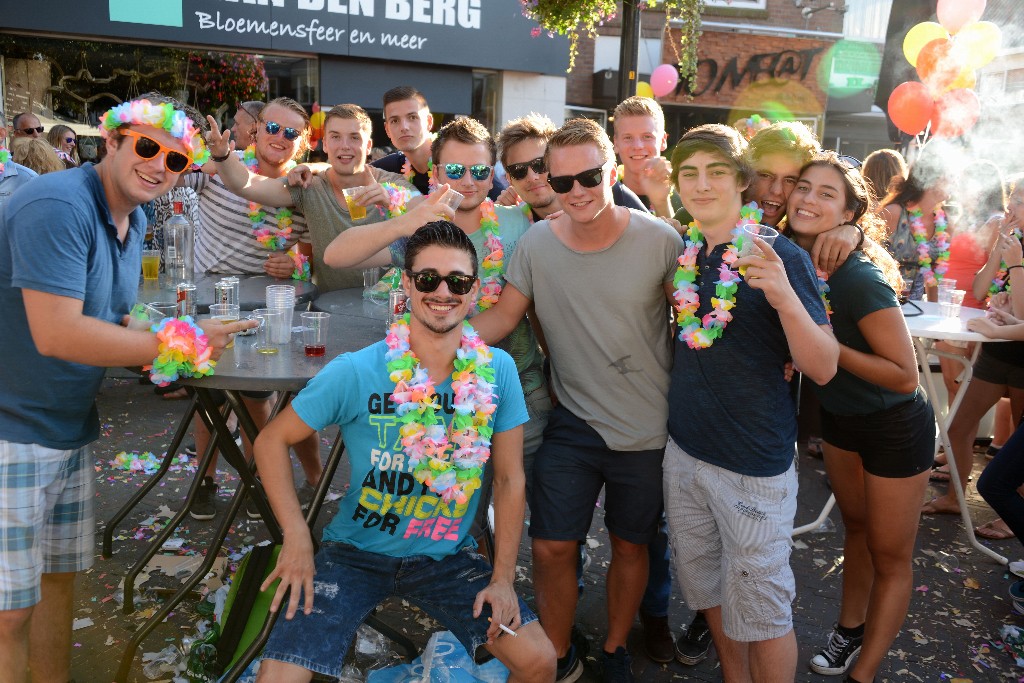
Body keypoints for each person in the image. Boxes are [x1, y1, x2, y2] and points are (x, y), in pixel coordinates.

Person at [0, 94, 250, 683]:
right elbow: (58, 332)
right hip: (11, 433)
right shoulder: (57, 204)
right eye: (145, 146)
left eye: (176, 159)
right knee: (9, 615)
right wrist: (179, 344)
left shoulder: (134, 216)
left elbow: (110, 318)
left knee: (57, 584)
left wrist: (175, 335)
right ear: (110, 142)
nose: (159, 165)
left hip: (66, 426)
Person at [250, 221, 556, 683]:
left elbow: (511, 480)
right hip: (354, 553)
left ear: (474, 291)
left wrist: (503, 578)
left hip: (447, 557)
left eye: (458, 281)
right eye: (429, 278)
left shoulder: (498, 370)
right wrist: (296, 537)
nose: (443, 292)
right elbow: (271, 440)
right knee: (279, 679)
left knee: (539, 660)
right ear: (408, 284)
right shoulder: (358, 369)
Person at [471, 117, 684, 683]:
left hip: (647, 428)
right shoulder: (538, 244)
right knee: (549, 549)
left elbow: (692, 325)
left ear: (612, 171)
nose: (577, 191)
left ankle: (614, 650)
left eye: (589, 175)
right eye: (561, 182)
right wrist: (430, 332)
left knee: (631, 547)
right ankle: (556, 654)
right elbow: (501, 318)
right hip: (575, 422)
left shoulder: (660, 239)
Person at [663, 124, 837, 683]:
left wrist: (784, 295)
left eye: (716, 172)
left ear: (742, 181)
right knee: (708, 591)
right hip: (685, 452)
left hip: (752, 469)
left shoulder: (777, 254)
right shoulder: (687, 249)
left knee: (762, 614)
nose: (702, 185)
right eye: (689, 173)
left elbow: (823, 365)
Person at [319, 115, 550, 466]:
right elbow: (336, 255)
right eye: (456, 171)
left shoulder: (520, 224)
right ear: (437, 173)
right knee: (456, 514)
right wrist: (405, 222)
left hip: (516, 392)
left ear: (493, 174)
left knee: (520, 501)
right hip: (438, 402)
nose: (469, 182)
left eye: (480, 171)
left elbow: (509, 315)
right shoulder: (423, 232)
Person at [785, 152, 932, 683]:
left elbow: (903, 374)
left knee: (889, 553)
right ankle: (850, 630)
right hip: (842, 419)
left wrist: (821, 344)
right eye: (804, 187)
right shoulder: (795, 255)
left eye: (827, 194)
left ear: (849, 215)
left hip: (895, 428)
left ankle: (864, 671)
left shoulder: (857, 277)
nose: (808, 199)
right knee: (856, 530)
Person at [178, 96, 321, 521]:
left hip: (268, 306)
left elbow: (316, 259)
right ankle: (205, 479)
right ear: (256, 130)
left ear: (302, 141)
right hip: (210, 300)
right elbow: (168, 182)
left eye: (291, 132)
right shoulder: (219, 168)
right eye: (273, 128)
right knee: (212, 399)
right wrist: (194, 160)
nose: (280, 137)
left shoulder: (304, 190)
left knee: (258, 401)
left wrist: (295, 262)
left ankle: (259, 478)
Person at [214, 103, 423, 291]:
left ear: (368, 146)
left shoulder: (393, 183)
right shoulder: (309, 185)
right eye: (335, 137)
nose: (344, 146)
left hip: (388, 315)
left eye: (354, 137)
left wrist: (394, 204)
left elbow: (430, 215)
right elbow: (250, 186)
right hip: (329, 312)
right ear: (325, 144)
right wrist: (222, 156)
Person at [923, 176, 1024, 517]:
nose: (1011, 207)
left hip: (1022, 358)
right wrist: (1000, 250)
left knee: (1018, 446)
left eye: (1020, 201)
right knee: (958, 427)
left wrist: (1017, 266)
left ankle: (1013, 518)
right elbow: (981, 291)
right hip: (995, 353)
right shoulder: (1012, 241)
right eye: (1012, 199)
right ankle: (954, 497)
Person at [495, 112, 648, 221]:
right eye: (519, 171)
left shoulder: (607, 190)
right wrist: (503, 218)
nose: (532, 177)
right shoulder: (515, 224)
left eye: (540, 164)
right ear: (509, 178)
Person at [371, 86, 507, 200]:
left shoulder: (456, 160)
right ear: (387, 129)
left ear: (429, 122)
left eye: (412, 117)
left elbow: (499, 198)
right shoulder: (390, 167)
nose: (404, 127)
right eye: (395, 120)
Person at [880, 144, 956, 301]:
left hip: (919, 309)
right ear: (931, 179)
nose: (954, 183)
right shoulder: (894, 213)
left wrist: (934, 310)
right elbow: (866, 257)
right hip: (883, 301)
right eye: (950, 177)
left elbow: (934, 275)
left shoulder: (944, 223)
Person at [611, 96, 680, 218]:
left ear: (663, 140)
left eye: (647, 136)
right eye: (628, 137)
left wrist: (662, 203)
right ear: (616, 143)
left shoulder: (687, 197)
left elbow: (677, 237)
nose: (637, 146)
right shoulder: (604, 197)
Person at [0, 111, 39, 211]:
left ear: (1, 134)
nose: (37, 134)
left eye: (39, 129)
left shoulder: (27, 179)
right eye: (30, 130)